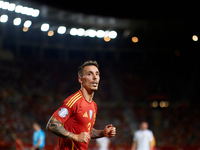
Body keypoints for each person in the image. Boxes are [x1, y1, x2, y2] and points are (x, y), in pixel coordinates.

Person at [46, 60, 116, 150]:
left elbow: (86, 131)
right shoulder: (73, 101)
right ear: (80, 79)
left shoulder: (94, 106)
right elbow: (52, 124)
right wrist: (75, 137)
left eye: (97, 74)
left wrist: (103, 133)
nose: (95, 77)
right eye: (90, 74)